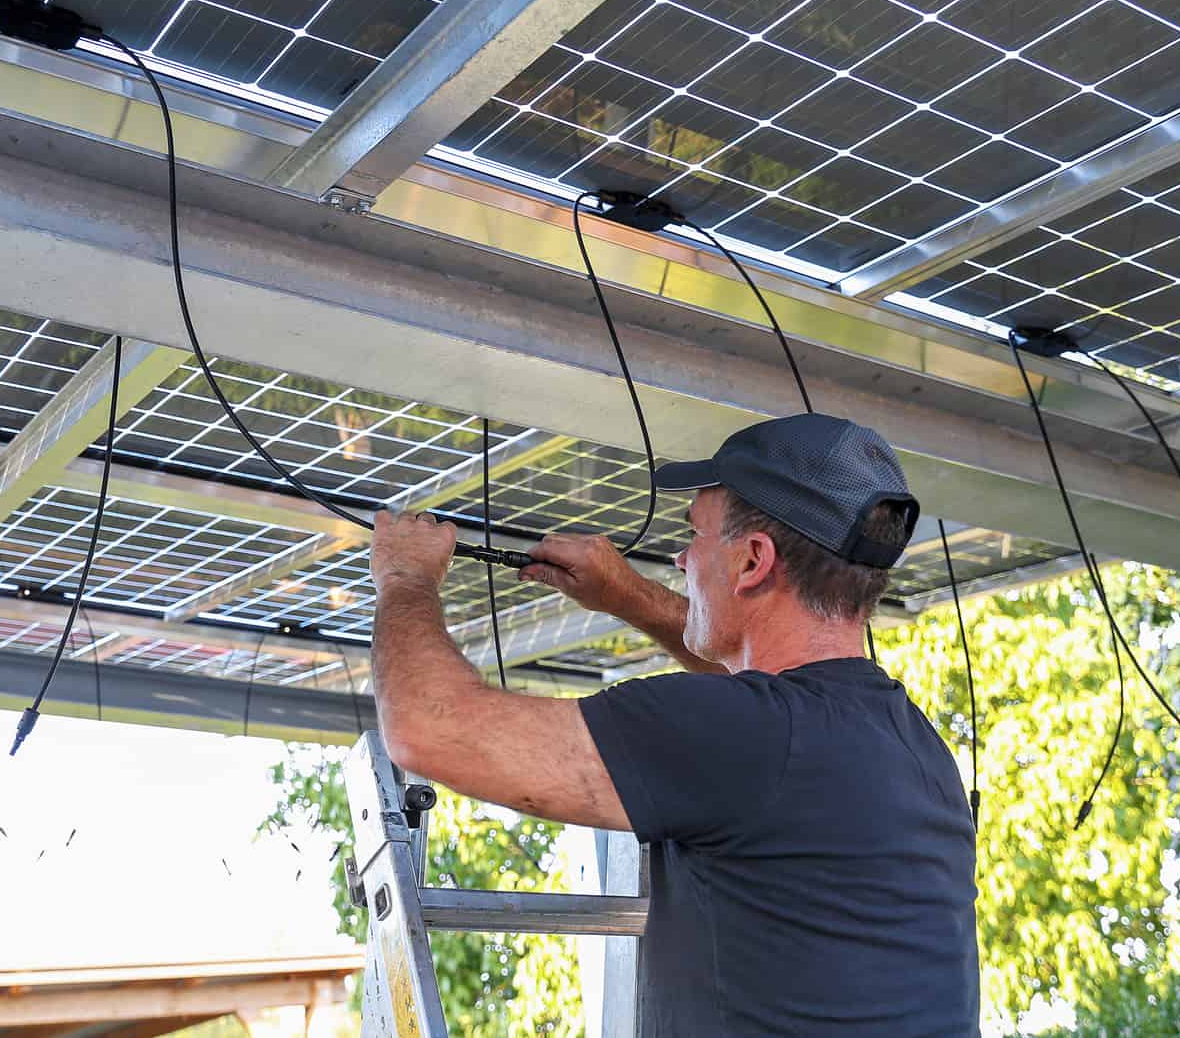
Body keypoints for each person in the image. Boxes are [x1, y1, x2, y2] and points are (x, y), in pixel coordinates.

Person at [368, 413, 978, 1035]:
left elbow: (427, 726)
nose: (683, 559)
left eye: (696, 535)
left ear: (752, 562)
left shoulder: (743, 736)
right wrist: (629, 596)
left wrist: (404, 578)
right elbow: (755, 712)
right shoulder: (907, 740)